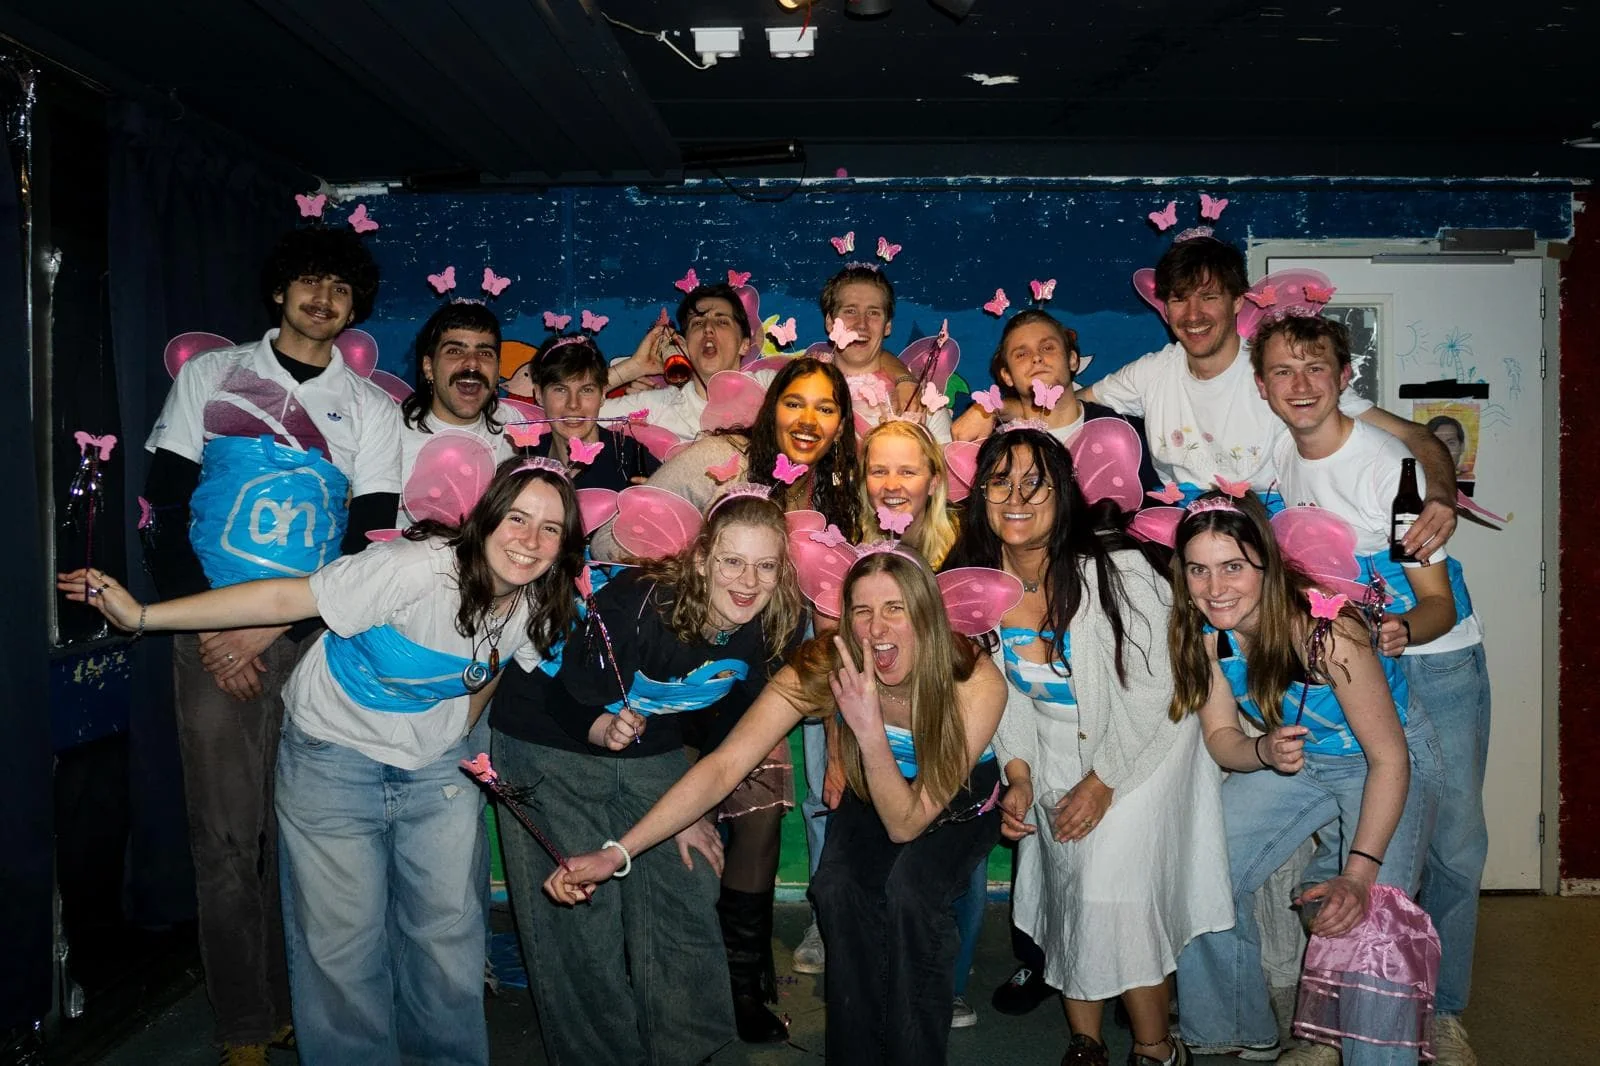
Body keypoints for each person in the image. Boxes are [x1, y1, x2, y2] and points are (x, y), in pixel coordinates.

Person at [64, 457, 585, 1066]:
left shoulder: (540, 599)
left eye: (551, 528)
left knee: (448, 939)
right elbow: (286, 595)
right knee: (342, 948)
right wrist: (143, 617)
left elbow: (491, 664)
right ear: (487, 517)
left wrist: (459, 733)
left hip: (433, 764)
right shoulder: (415, 567)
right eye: (518, 517)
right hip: (333, 757)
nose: (530, 539)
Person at [546, 548, 1009, 1065]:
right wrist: (616, 853)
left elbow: (906, 824)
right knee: (837, 890)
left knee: (911, 896)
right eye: (861, 610)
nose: (877, 628)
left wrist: (867, 727)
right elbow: (724, 766)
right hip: (871, 781)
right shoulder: (827, 667)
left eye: (895, 608)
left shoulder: (973, 679)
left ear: (925, 614)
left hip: (954, 798)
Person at [137, 226, 396, 1063]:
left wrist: (278, 624)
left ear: (355, 308)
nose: (324, 298)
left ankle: (299, 1008)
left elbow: (367, 542)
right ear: (280, 290)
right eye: (309, 282)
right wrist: (213, 626)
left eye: (341, 288)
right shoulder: (212, 376)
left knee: (305, 840)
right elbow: (161, 511)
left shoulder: (372, 410)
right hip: (209, 643)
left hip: (313, 643)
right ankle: (244, 1023)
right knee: (223, 840)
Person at [944, 428, 1231, 1066]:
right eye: (1000, 482)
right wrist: (1018, 774)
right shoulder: (977, 589)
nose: (1016, 499)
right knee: (1069, 888)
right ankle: (1086, 1044)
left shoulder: (1117, 572)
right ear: (980, 495)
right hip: (1051, 745)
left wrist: (1103, 781)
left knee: (1111, 896)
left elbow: (1157, 691)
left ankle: (1156, 1049)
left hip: (1147, 746)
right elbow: (1001, 696)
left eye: (1035, 484)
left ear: (1064, 494)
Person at [491, 492, 803, 1062]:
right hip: (550, 727)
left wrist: (689, 808)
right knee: (582, 911)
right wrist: (598, 730)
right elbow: (564, 695)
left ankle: (695, 1053)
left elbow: (729, 730)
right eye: (732, 561)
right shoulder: (638, 603)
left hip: (649, 737)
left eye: (765, 566)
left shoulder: (778, 624)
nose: (748, 582)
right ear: (702, 559)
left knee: (688, 885)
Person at [1255, 314, 1489, 1064]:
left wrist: (1401, 632)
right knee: (1358, 846)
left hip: (1432, 659)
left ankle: (1443, 1010)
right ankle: (1335, 1020)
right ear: (1264, 385)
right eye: (1283, 371)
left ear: (1343, 378)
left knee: (1453, 845)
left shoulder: (1392, 470)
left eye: (1315, 368)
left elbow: (1437, 602)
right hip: (1354, 669)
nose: (1300, 384)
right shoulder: (1278, 456)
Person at [1168, 491, 1442, 1064]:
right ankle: (1234, 1025)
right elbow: (1223, 740)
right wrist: (1262, 750)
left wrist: (1360, 875)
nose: (1214, 588)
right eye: (1198, 570)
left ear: (1266, 565)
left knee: (1372, 916)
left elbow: (1389, 759)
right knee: (1201, 862)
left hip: (1383, 761)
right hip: (1300, 762)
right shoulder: (1205, 635)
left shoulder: (1326, 632)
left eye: (1233, 567)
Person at [1079, 236, 1457, 555]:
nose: (1193, 315)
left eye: (1208, 297)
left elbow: (1415, 435)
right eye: (1179, 299)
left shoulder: (1280, 375)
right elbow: (1067, 408)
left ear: (1237, 301)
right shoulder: (1153, 371)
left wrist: (1441, 495)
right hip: (1184, 545)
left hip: (1268, 548)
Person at [588, 356, 860, 559]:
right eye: (793, 404)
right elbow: (607, 542)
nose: (808, 421)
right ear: (772, 413)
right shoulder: (721, 458)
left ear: (839, 429)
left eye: (825, 410)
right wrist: (696, 565)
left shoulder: (833, 494)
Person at [600, 282, 776, 440]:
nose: (708, 328)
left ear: (744, 345)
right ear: (684, 345)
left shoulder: (769, 387)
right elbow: (583, 414)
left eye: (722, 321)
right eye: (697, 323)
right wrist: (635, 367)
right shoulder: (659, 405)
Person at [816, 265, 953, 441]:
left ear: (887, 326)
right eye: (850, 311)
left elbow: (945, 459)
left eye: (873, 313)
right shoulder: (800, 388)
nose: (861, 324)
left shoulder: (921, 403)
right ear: (829, 322)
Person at [525, 334, 660, 489]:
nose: (573, 404)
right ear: (539, 395)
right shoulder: (528, 458)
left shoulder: (631, 458)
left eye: (586, 390)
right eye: (560, 389)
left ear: (602, 395)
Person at [399, 301, 511, 476]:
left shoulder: (515, 431)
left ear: (498, 371)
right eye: (455, 351)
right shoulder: (391, 435)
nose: (472, 363)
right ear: (429, 367)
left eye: (484, 353)